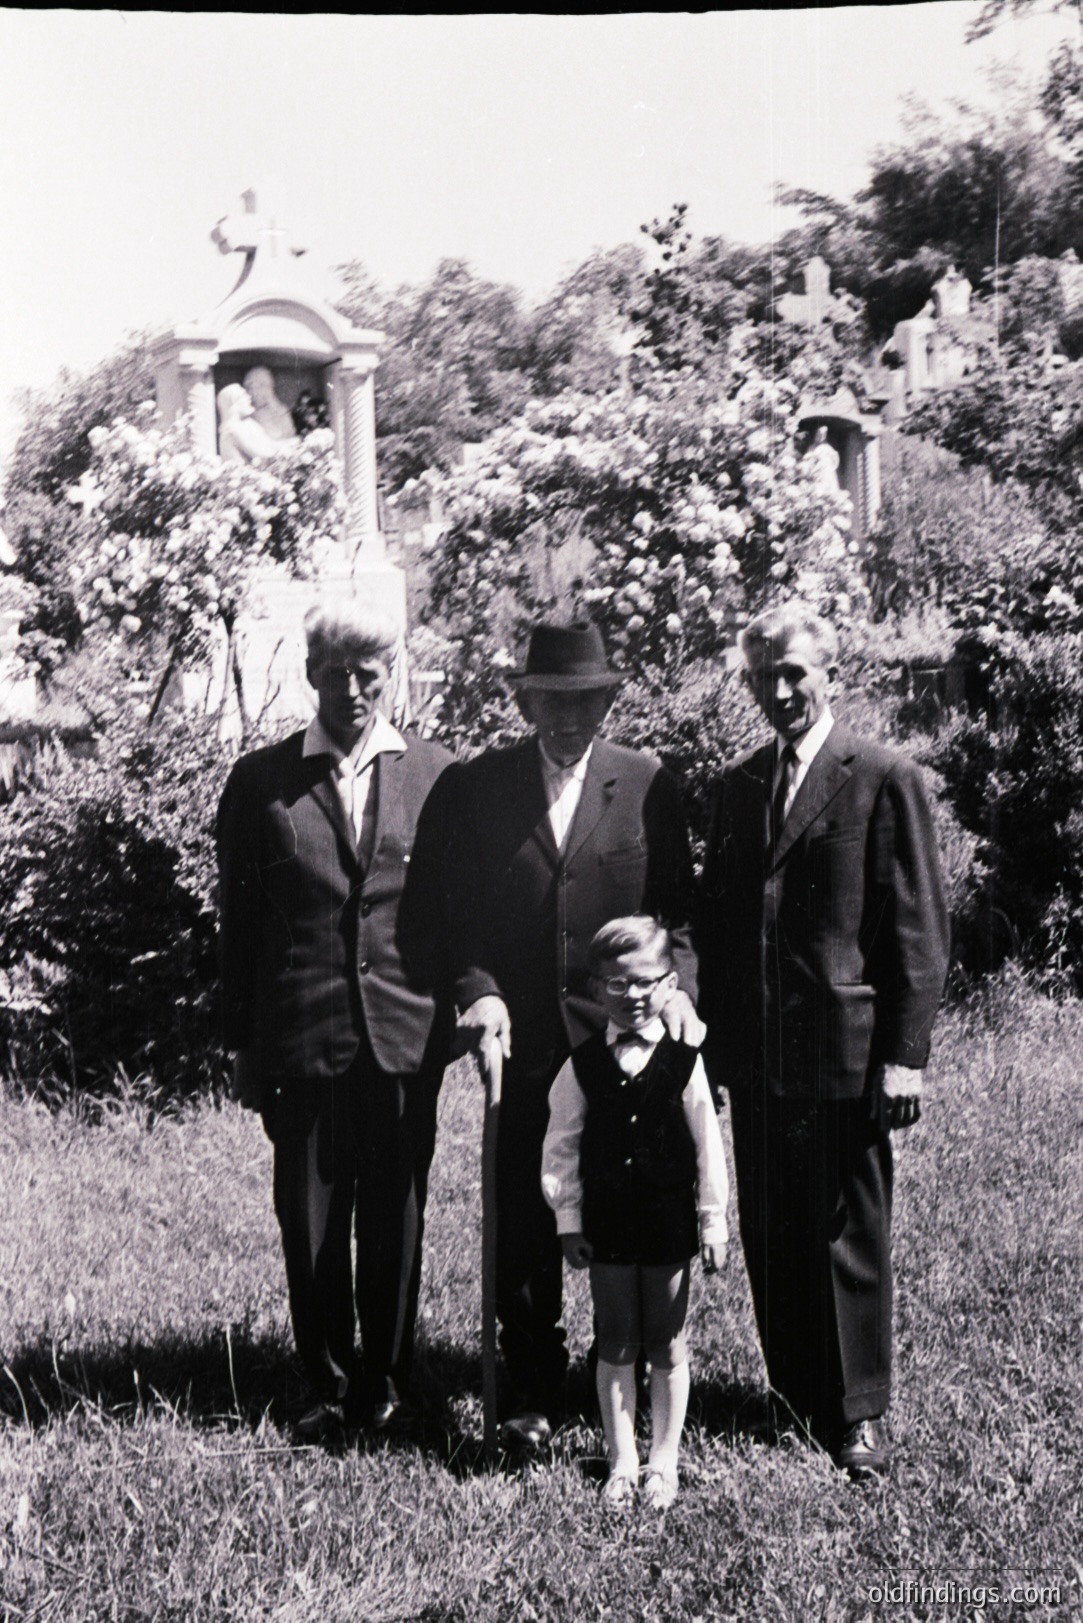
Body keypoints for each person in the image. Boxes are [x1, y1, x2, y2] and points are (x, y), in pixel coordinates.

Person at [699, 601, 949, 1479]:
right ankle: (797, 1391)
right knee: (772, 1229)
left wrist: (904, 1055)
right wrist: (715, 1050)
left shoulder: (882, 777)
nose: (779, 690)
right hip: (761, 1056)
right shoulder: (737, 787)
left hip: (845, 1053)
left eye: (794, 672)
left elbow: (915, 929)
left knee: (846, 1229)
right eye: (763, 676)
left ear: (828, 672)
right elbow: (721, 925)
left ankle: (857, 1414)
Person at [439, 619, 703, 1451]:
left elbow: (678, 918)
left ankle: (622, 1369)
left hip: (623, 1043)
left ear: (607, 700)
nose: (566, 716)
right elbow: (447, 921)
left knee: (621, 1208)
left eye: (584, 700)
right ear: (522, 700)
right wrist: (478, 994)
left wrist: (679, 999)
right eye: (549, 700)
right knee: (526, 1215)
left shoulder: (647, 783)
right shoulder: (475, 788)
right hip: (522, 1044)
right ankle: (529, 1382)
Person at [216, 600, 453, 1437]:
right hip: (300, 1033)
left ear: (389, 674)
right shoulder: (260, 781)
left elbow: (460, 910)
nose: (352, 688)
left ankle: (387, 1375)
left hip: (402, 1031)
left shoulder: (435, 773)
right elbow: (238, 922)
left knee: (396, 1207)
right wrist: (242, 1041)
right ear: (309, 673)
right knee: (310, 1213)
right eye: (335, 671)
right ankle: (321, 1378)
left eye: (368, 672)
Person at [542, 916, 728, 1512]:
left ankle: (663, 1460)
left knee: (666, 1341)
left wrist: (713, 1219)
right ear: (598, 990)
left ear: (671, 983)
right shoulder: (581, 1067)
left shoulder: (685, 1061)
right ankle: (623, 1460)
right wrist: (568, 1219)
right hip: (608, 1226)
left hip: (669, 1222)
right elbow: (561, 1145)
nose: (635, 996)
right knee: (616, 1340)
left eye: (648, 982)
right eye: (618, 985)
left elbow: (707, 1142)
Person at [217, 383, 278, 465]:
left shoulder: (248, 424)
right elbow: (265, 454)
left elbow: (271, 444)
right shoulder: (232, 430)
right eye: (243, 395)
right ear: (233, 403)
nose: (249, 397)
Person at [243, 365, 299, 444]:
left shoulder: (281, 410)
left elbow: (291, 435)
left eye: (262, 386)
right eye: (250, 388)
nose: (254, 392)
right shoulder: (247, 414)